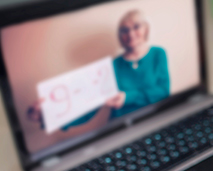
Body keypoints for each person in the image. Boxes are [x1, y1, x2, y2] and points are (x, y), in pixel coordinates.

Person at [28, 9, 170, 132]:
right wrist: (51, 116)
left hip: (155, 122)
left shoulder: (158, 53)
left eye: (136, 27)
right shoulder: (111, 66)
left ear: (146, 29)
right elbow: (89, 107)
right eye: (124, 30)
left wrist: (127, 97)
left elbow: (163, 91)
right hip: (121, 129)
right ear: (120, 36)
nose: (131, 33)